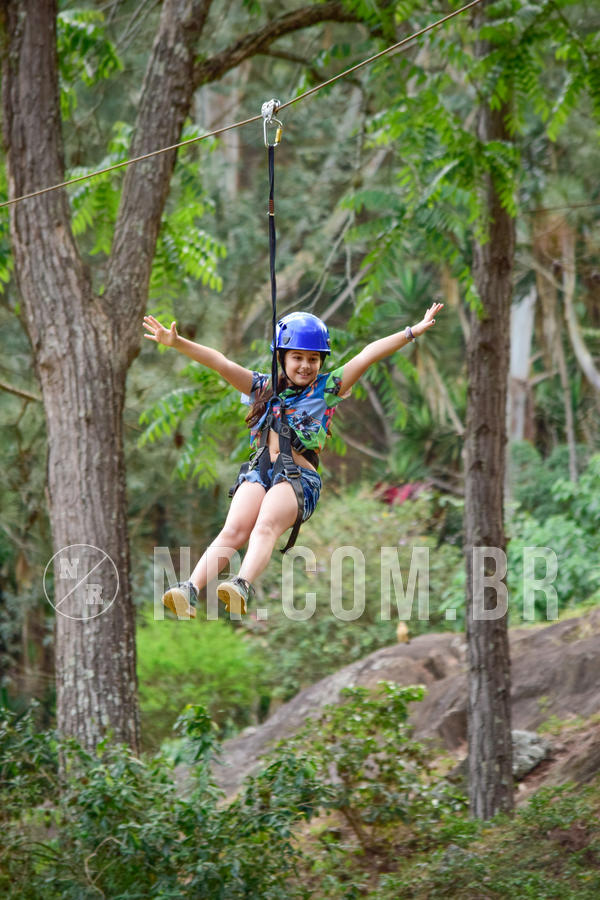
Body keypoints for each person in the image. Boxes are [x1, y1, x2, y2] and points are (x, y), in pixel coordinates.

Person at [142, 303, 443, 618]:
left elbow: (367, 355)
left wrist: (411, 332)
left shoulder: (327, 389)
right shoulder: (262, 388)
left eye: (313, 359)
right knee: (233, 529)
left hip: (299, 480)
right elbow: (221, 363)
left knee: (266, 524)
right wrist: (177, 343)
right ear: (281, 358)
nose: (305, 365)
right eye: (297, 357)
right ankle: (189, 589)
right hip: (261, 474)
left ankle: (241, 584)